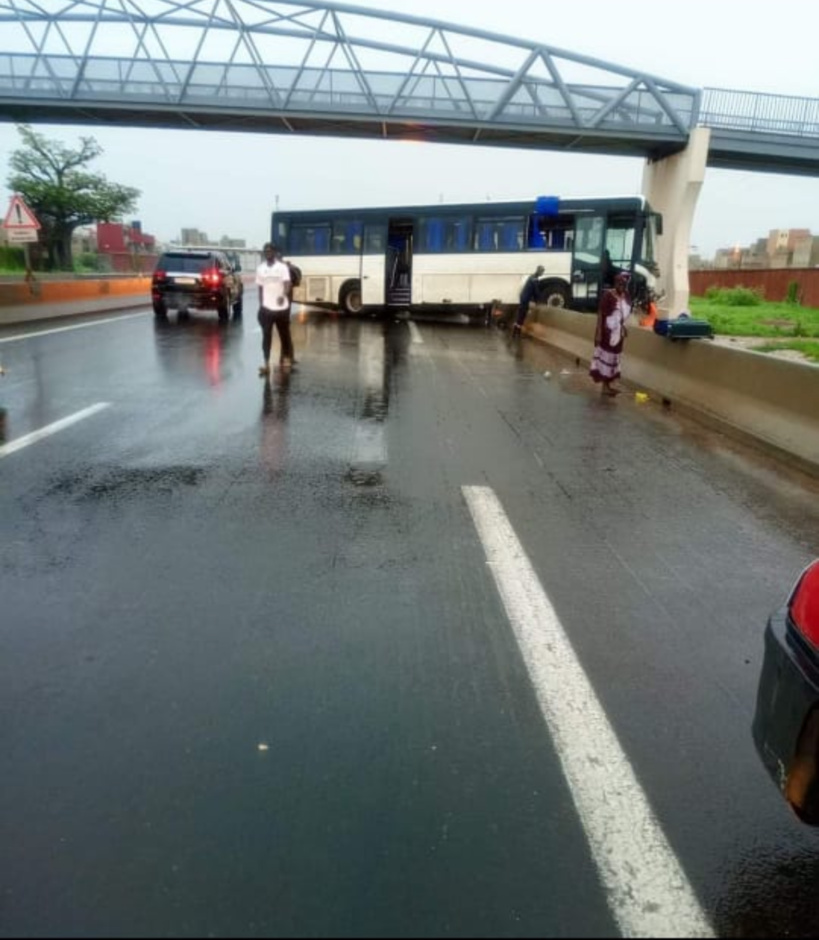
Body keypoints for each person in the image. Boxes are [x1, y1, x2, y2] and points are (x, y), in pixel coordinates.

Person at [590, 271, 632, 397]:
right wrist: (599, 333)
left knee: (614, 358)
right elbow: (601, 314)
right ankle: (605, 387)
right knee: (606, 358)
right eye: (619, 284)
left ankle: (607, 386)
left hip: (618, 334)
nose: (621, 286)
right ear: (615, 283)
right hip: (607, 333)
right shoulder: (608, 295)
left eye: (623, 284)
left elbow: (622, 315)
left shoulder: (626, 295)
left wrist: (623, 327)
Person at [256, 242, 293, 376]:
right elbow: (260, 288)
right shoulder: (260, 269)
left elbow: (287, 284)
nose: (268, 253)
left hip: (281, 308)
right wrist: (261, 305)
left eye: (270, 251)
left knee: (284, 334)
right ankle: (266, 364)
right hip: (267, 308)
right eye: (266, 251)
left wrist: (283, 295)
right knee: (266, 336)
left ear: (275, 253)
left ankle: (287, 357)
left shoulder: (282, 267)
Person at [512, 264, 545, 336]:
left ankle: (516, 330)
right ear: (538, 271)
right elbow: (536, 291)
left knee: (520, 314)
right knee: (522, 315)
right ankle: (517, 331)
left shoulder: (531, 277)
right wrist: (538, 301)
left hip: (523, 297)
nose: (542, 273)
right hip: (525, 299)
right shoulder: (534, 279)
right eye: (542, 272)